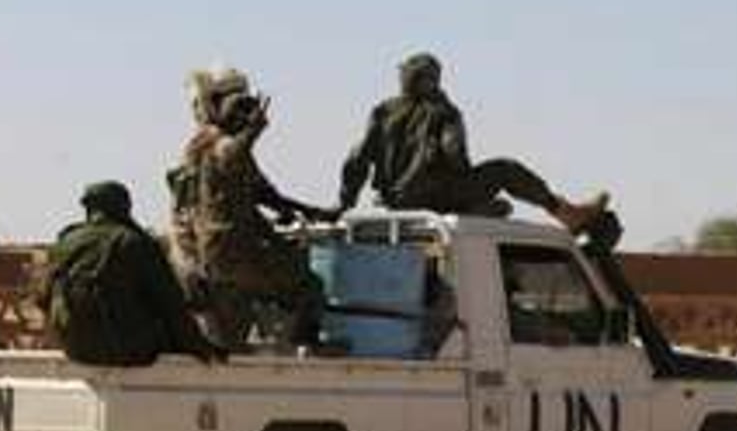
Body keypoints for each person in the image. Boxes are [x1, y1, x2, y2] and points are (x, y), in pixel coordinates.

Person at [336, 52, 608, 231]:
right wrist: (464, 184)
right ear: (431, 80)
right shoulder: (443, 112)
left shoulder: (383, 111)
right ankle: (565, 212)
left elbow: (356, 158)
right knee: (505, 170)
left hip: (393, 203)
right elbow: (454, 154)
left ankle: (471, 207)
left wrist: (344, 202)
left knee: (497, 205)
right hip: (435, 197)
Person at [168, 68, 336, 350]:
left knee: (230, 341)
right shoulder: (211, 143)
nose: (240, 109)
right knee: (309, 285)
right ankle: (306, 344)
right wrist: (252, 132)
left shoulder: (209, 147)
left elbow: (263, 193)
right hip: (226, 252)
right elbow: (228, 157)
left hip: (206, 255)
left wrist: (309, 210)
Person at [40, 180, 224, 366]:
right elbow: (170, 304)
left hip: (76, 349)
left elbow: (42, 297)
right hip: (129, 349)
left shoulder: (66, 242)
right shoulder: (134, 242)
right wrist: (200, 347)